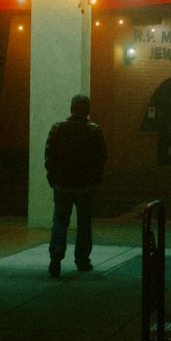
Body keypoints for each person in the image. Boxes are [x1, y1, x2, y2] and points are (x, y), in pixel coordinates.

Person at [44, 93, 107, 277]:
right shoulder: (94, 130)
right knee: (84, 223)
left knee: (60, 220)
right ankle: (82, 260)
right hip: (85, 185)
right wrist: (96, 178)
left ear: (71, 108)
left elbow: (49, 156)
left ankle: (56, 253)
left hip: (62, 184)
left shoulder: (57, 128)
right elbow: (101, 157)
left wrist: (53, 178)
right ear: (88, 110)